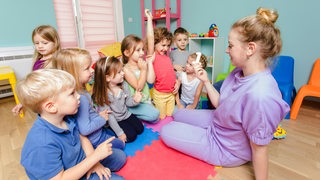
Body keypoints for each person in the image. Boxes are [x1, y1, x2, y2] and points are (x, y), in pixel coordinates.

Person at [161, 8, 290, 180]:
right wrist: (206, 81)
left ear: (250, 49)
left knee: (167, 130)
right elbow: (222, 103)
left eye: (230, 45)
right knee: (178, 114)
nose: (226, 50)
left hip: (225, 147)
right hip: (218, 122)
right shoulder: (239, 72)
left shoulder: (261, 95)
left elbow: (260, 149)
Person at [18, 69, 124, 180]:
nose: (79, 96)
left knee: (120, 158)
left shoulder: (65, 117)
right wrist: (95, 157)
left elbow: (82, 138)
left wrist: (95, 162)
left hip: (83, 160)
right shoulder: (41, 143)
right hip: (69, 175)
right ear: (51, 107)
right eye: (72, 94)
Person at [53, 48, 126, 171]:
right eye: (87, 68)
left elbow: (87, 115)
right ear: (73, 73)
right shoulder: (80, 98)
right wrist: (102, 119)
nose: (92, 70)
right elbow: (85, 129)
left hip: (98, 133)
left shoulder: (79, 90)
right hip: (94, 140)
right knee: (121, 156)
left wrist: (98, 115)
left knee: (117, 140)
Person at [92, 56, 144, 143]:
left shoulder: (124, 85)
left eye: (122, 70)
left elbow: (128, 102)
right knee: (131, 137)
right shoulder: (102, 95)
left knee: (140, 129)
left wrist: (135, 101)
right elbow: (110, 117)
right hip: (115, 120)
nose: (123, 73)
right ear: (108, 78)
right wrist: (120, 133)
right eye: (119, 72)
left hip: (126, 114)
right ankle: (109, 130)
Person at [11, 25, 61, 115]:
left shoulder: (56, 61)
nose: (40, 46)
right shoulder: (38, 61)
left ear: (55, 42)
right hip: (42, 102)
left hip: (55, 103)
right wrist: (23, 103)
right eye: (37, 43)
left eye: (45, 43)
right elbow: (35, 85)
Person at [145, 9, 179, 120]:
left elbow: (169, 73)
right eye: (163, 45)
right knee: (161, 118)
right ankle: (152, 103)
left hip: (170, 94)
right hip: (160, 94)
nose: (166, 48)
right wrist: (150, 19)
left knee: (171, 115)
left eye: (168, 46)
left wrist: (177, 83)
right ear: (155, 43)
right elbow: (150, 37)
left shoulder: (166, 57)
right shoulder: (153, 55)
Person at [121, 34, 160, 123]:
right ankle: (130, 112)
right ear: (127, 53)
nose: (142, 53)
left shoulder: (142, 65)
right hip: (135, 102)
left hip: (146, 99)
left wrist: (149, 64)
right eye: (138, 50)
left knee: (156, 118)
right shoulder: (126, 69)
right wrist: (143, 70)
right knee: (155, 115)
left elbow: (151, 80)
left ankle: (141, 112)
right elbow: (138, 87)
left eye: (142, 49)